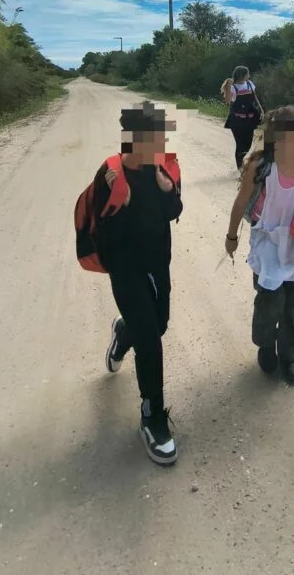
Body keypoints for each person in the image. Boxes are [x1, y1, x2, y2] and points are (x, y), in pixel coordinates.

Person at [92, 102, 183, 466]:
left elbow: (175, 213)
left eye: (162, 135)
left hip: (158, 265)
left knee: (157, 326)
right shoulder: (109, 175)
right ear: (132, 138)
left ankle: (122, 331)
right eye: (155, 135)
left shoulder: (163, 168)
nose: (161, 141)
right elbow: (100, 234)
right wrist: (121, 203)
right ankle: (153, 416)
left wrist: (167, 191)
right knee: (150, 340)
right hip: (126, 269)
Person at [224, 105, 294, 385]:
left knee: (293, 305)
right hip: (267, 244)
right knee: (270, 304)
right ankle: (266, 343)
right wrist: (231, 236)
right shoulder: (261, 166)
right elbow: (241, 201)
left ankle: (290, 355)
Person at [221, 66, 263, 171]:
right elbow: (228, 100)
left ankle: (242, 165)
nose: (249, 76)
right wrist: (228, 87)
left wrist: (261, 110)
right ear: (243, 75)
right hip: (237, 121)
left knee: (248, 144)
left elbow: (255, 98)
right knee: (240, 145)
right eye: (248, 74)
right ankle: (240, 168)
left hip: (249, 120)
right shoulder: (233, 87)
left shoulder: (250, 84)